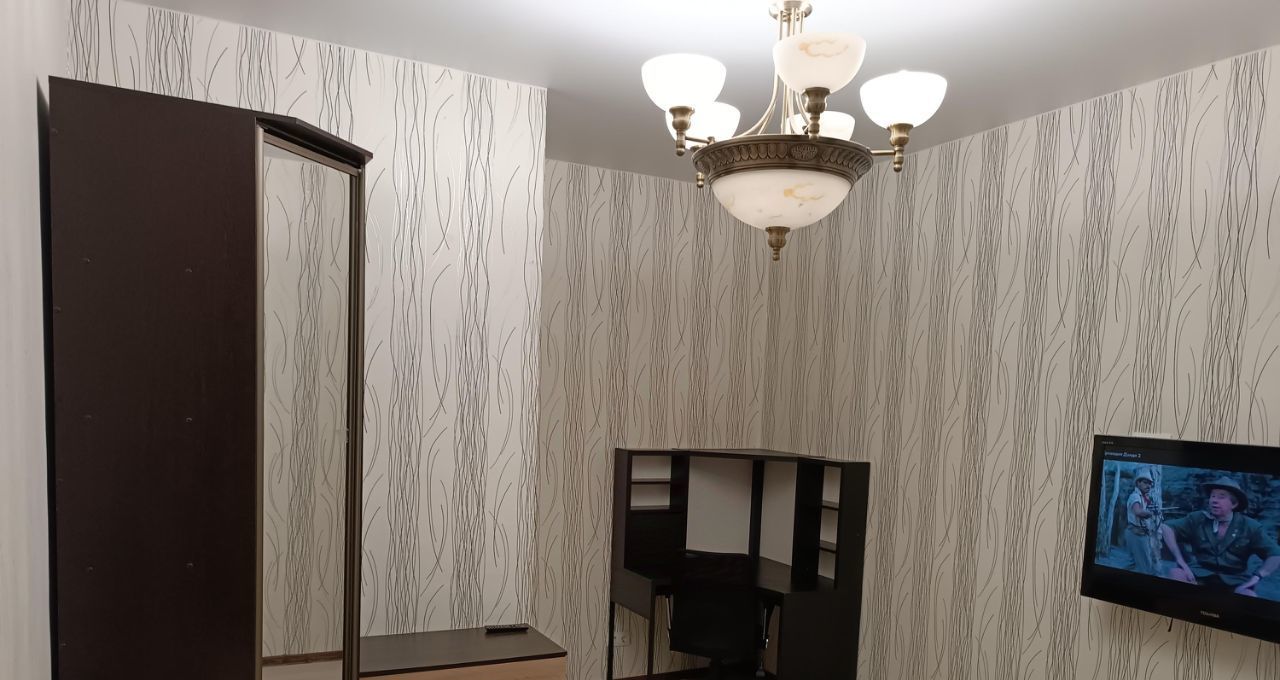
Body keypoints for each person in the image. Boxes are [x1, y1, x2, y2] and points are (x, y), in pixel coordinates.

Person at [1160, 476, 1280, 597]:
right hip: (1199, 575)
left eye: (1221, 497)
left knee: (1249, 595)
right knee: (1176, 573)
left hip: (1234, 582)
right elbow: (1166, 528)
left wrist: (1257, 576)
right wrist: (1180, 561)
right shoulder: (1197, 519)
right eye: (1213, 496)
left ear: (1234, 504)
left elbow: (1275, 554)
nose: (1214, 500)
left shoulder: (1250, 526)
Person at [1123, 468, 1160, 574]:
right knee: (1145, 567)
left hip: (1138, 534)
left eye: (1150, 483)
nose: (1148, 485)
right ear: (1138, 483)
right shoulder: (1135, 496)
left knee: (1133, 564)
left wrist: (1154, 511)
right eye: (1145, 482)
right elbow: (1138, 512)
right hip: (1136, 534)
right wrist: (1151, 513)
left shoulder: (1145, 498)